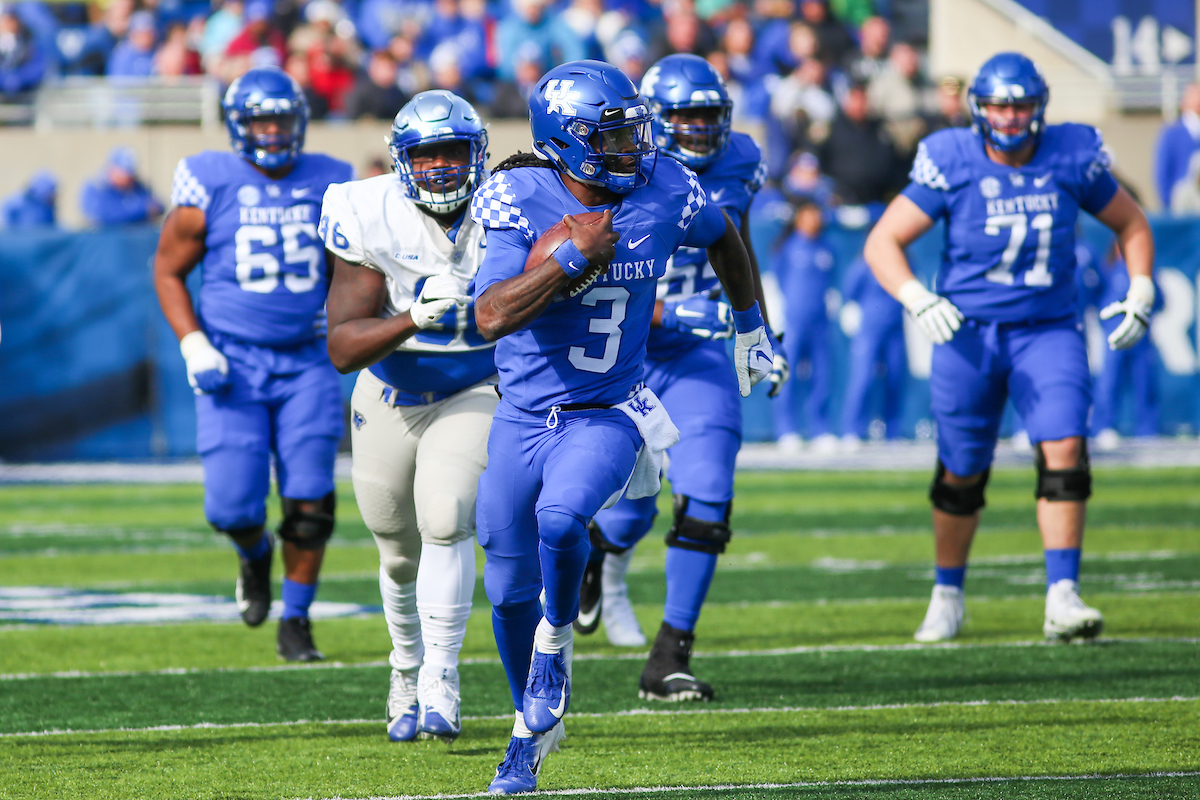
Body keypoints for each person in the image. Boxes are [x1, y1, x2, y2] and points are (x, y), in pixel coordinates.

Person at [467, 59, 774, 793]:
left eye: (635, 129)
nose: (634, 147)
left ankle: (558, 644)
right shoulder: (516, 194)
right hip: (521, 415)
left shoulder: (667, 183)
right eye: (614, 135)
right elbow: (489, 316)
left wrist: (749, 325)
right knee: (506, 589)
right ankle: (527, 731)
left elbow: (725, 235)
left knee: (562, 516)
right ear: (565, 141)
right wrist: (569, 256)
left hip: (607, 408)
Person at [864, 52, 1156, 644]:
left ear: (1040, 106)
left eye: (1021, 103)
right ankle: (947, 593)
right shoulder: (953, 157)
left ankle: (1062, 595)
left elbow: (1132, 223)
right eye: (999, 104)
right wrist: (918, 297)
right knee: (962, 469)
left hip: (1048, 328)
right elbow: (884, 241)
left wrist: (1141, 286)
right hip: (969, 334)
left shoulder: (1071, 154)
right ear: (979, 108)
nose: (1011, 115)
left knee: (1066, 448)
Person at [580, 54, 780, 701]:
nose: (697, 129)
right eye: (684, 116)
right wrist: (666, 307)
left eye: (707, 115)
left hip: (697, 357)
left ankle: (669, 654)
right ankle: (598, 556)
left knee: (708, 494)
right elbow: (582, 274)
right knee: (631, 508)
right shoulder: (614, 171)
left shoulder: (739, 161)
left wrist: (757, 330)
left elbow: (737, 246)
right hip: (622, 351)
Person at [153, 67, 354, 662]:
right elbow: (167, 270)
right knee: (232, 507)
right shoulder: (208, 181)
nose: (271, 132)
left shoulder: (332, 180)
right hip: (232, 363)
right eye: (259, 120)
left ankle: (296, 619)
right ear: (237, 125)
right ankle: (253, 554)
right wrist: (193, 342)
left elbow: (354, 271)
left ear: (301, 121)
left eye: (281, 119)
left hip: (307, 362)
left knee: (310, 496)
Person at [321, 90, 494, 744]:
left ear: (477, 154)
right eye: (427, 156)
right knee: (396, 550)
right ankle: (404, 664)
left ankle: (441, 674)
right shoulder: (366, 210)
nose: (443, 168)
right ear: (401, 162)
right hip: (389, 390)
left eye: (453, 152)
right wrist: (411, 319)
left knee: (447, 515)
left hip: (476, 384)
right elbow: (342, 346)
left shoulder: (508, 207)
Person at [773, 196, 836, 453]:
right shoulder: (786, 248)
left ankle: (820, 429)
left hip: (819, 322)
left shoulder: (826, 249)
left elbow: (832, 283)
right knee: (786, 374)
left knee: (821, 375)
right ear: (798, 219)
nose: (813, 220)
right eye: (808, 215)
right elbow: (774, 280)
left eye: (816, 215)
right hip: (792, 323)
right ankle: (786, 430)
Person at [838, 253, 906, 446]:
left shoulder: (902, 263)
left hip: (895, 330)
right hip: (869, 331)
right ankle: (852, 430)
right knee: (863, 379)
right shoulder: (863, 265)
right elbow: (849, 293)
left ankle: (893, 432)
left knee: (895, 378)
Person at [80, 146, 164, 227]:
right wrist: (141, 210)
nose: (127, 177)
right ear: (112, 168)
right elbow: (105, 216)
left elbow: (158, 206)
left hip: (136, 239)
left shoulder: (138, 186)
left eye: (130, 173)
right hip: (105, 239)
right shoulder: (96, 187)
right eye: (123, 173)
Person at [1154, 82, 1200, 211]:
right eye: (1194, 96)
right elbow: (1162, 173)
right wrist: (1168, 205)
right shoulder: (1171, 133)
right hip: (1180, 207)